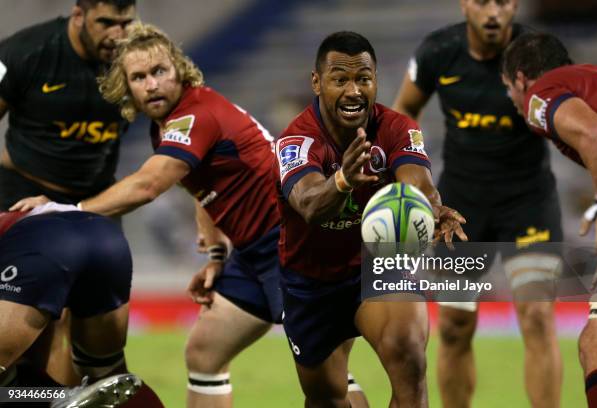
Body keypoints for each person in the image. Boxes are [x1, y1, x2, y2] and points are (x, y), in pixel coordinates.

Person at [11, 23, 369, 408]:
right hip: (255, 253)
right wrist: (216, 253)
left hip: (297, 245)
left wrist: (64, 210)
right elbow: (201, 186)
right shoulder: (166, 125)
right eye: (139, 77)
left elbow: (150, 184)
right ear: (125, 85)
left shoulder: (196, 115)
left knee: (326, 380)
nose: (151, 84)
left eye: (159, 71)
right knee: (205, 353)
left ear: (179, 70)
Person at [274, 30, 466, 407]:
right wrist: (343, 179)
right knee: (327, 396)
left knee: (408, 355)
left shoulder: (397, 127)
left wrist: (433, 206)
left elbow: (419, 184)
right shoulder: (296, 140)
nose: (353, 91)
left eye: (363, 78)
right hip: (311, 282)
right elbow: (309, 203)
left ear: (376, 80)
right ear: (317, 82)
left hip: (377, 265)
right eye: (339, 79)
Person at [392, 1, 563, 407]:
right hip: (460, 207)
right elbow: (403, 113)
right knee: (453, 325)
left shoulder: (539, 53)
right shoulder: (437, 51)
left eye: (502, 2)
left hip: (528, 202)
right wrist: (414, 179)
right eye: (482, 1)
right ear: (465, 3)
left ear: (515, 5)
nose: (492, 12)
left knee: (537, 318)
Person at [0, 0, 136, 386]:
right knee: (30, 322)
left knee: (81, 324)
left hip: (94, 202)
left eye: (126, 23)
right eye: (106, 22)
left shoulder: (133, 63)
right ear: (79, 15)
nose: (117, 34)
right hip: (21, 193)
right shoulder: (25, 52)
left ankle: (59, 399)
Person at [501, 31, 597, 408]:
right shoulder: (595, 77)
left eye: (507, 88)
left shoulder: (540, 95)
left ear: (519, 79)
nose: (512, 100)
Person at [0, 206, 162, 407]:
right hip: (103, 233)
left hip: (40, 244)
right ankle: (59, 398)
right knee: (108, 374)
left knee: (8, 384)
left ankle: (55, 399)